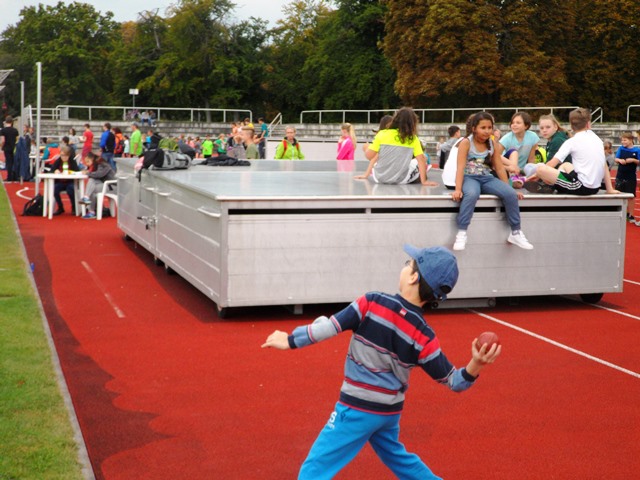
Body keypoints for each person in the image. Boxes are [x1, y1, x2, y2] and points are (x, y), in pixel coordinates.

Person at [262, 244, 501, 480]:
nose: (405, 266)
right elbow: (454, 381)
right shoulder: (424, 335)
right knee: (399, 459)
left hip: (357, 408)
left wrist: (290, 340)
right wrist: (476, 364)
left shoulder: (371, 302)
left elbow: (329, 328)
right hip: (388, 412)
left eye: (408, 263)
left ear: (413, 277)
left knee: (313, 469)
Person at [451, 112, 533, 251]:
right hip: (470, 178)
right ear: (474, 128)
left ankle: (516, 232)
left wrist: (509, 188)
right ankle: (462, 232)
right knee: (472, 194)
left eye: (489, 128)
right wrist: (458, 189)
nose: (487, 131)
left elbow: (499, 168)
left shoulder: (492, 143)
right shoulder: (466, 142)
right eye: (483, 128)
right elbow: (460, 167)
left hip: (486, 178)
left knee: (510, 194)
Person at [529, 108, 618, 197]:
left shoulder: (571, 142)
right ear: (588, 124)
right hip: (595, 187)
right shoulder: (597, 139)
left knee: (541, 169)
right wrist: (609, 189)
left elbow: (551, 164)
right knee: (566, 165)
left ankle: (551, 186)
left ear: (571, 126)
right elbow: (604, 164)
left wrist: (538, 174)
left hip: (581, 187)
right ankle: (554, 184)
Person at [355, 107, 437, 186]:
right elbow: (421, 160)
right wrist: (424, 181)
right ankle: (422, 173)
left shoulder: (382, 134)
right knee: (422, 159)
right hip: (401, 180)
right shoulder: (413, 138)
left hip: (379, 178)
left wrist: (366, 148)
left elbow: (370, 156)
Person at [499, 112, 540, 187]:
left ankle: (520, 179)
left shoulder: (533, 137)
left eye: (518, 123)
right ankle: (513, 178)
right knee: (514, 152)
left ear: (526, 126)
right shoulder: (506, 138)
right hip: (506, 169)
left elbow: (531, 159)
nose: (514, 125)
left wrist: (531, 173)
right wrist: (510, 167)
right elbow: (496, 156)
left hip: (520, 171)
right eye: (513, 122)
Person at [613, 132, 640, 224]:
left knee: (631, 196)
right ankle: (619, 213)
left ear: (631, 140)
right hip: (620, 175)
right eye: (622, 140)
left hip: (631, 176)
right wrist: (620, 160)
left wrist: (633, 160)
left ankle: (631, 215)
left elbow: (639, 161)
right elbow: (616, 159)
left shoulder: (637, 150)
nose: (623, 142)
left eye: (625, 140)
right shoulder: (621, 148)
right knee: (619, 194)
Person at [80, 151, 116, 219]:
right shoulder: (96, 165)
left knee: (92, 188)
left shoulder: (102, 164)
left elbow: (99, 174)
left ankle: (91, 210)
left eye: (88, 161)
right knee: (92, 183)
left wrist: (88, 173)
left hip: (112, 186)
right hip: (106, 184)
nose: (87, 164)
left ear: (92, 159)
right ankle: (89, 203)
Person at [50, 146, 80, 215]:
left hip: (70, 182)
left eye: (65, 156)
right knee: (54, 189)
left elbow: (77, 171)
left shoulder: (72, 161)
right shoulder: (58, 161)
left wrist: (71, 173)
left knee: (71, 189)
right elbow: (51, 170)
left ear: (69, 156)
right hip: (60, 182)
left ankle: (74, 207)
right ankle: (60, 207)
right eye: (62, 155)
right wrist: (55, 171)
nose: (63, 157)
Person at [0, 116, 20, 182]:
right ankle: (15, 176)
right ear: (12, 122)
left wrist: (1, 146)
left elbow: (3, 140)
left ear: (6, 122)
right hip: (13, 148)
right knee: (14, 161)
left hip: (6, 147)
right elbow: (17, 140)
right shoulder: (15, 130)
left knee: (8, 162)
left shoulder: (3, 130)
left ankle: (9, 177)